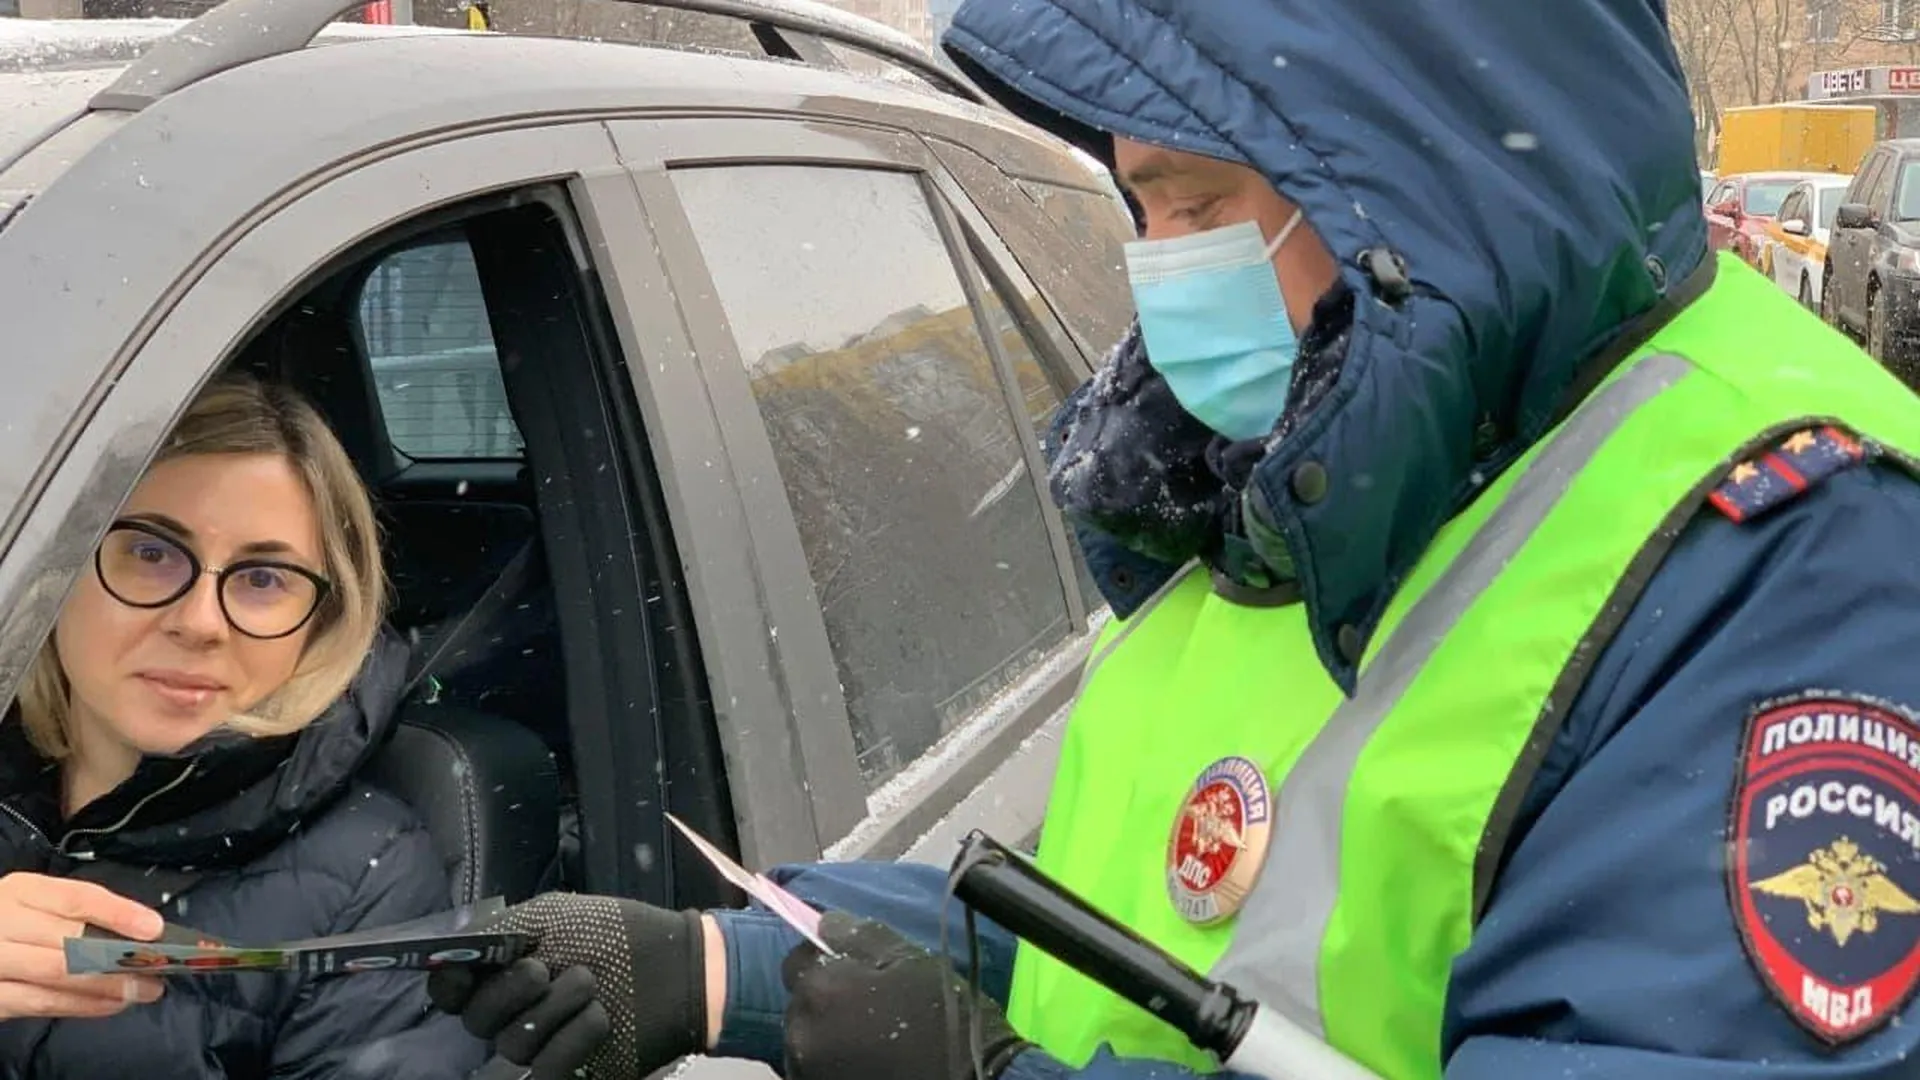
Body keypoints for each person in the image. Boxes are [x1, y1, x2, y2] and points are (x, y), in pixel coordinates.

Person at [426, 0, 1920, 1076]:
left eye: (1200, 205)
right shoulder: (1318, 465)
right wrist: (726, 967)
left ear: (1433, 186)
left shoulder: (1795, 559)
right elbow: (1123, 933)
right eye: (1138, 207)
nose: (1158, 273)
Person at [0, 374, 494, 1079]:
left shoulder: (369, 883)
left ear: (320, 621)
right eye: (150, 553)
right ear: (58, 568)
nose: (200, 622)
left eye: (264, 578)